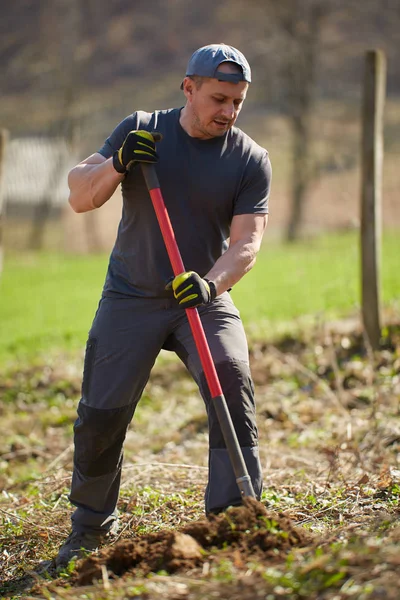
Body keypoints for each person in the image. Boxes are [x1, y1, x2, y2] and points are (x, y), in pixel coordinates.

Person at [55, 43, 272, 567]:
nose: (228, 111)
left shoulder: (249, 158)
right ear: (188, 88)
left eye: (238, 102)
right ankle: (89, 526)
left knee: (232, 378)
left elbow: (246, 243)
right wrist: (119, 162)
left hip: (200, 296)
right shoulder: (143, 128)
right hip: (131, 296)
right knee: (102, 413)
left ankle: (233, 517)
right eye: (219, 97)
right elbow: (80, 193)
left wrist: (212, 285)